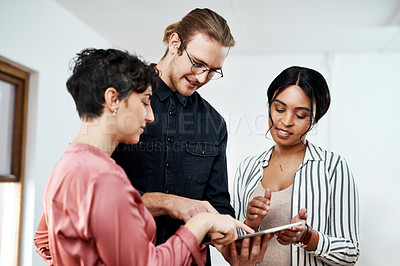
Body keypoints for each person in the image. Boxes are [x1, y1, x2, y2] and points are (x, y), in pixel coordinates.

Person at [33, 48, 254, 265]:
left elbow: (44, 240)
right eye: (145, 102)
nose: (150, 116)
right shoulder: (106, 177)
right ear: (113, 99)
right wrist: (201, 222)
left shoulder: (67, 164)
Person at [111, 8, 270, 264]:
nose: (202, 77)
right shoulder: (124, 98)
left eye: (213, 70)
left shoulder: (214, 123)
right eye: (197, 63)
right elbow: (99, 194)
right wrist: (169, 203)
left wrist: (236, 242)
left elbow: (217, 203)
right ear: (175, 44)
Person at [231, 66, 360, 265]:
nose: (286, 121)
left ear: (314, 120)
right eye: (279, 109)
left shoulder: (333, 168)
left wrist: (307, 236)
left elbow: (350, 253)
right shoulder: (247, 169)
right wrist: (250, 224)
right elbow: (234, 254)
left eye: (300, 115)